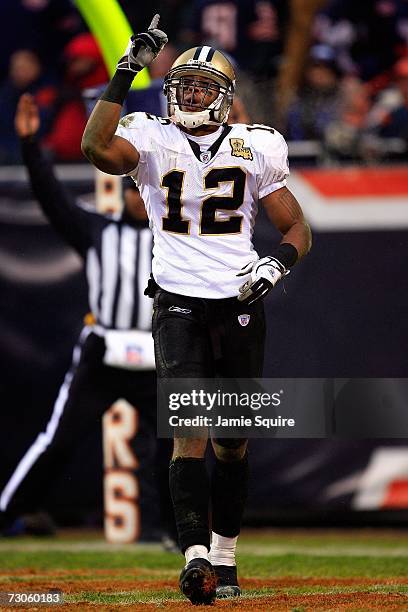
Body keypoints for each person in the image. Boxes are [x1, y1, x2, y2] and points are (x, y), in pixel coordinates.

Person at [81, 15, 312, 605]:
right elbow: (96, 146)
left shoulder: (256, 144)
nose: (192, 94)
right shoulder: (151, 137)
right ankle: (196, 560)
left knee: (233, 442)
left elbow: (296, 227)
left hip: (237, 299)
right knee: (189, 431)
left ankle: (227, 558)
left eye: (205, 86)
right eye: (184, 84)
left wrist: (274, 265)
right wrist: (126, 69)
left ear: (226, 96)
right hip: (178, 302)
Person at [0, 93, 175, 546]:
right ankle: (8, 514)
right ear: (122, 191)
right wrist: (30, 145)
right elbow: (52, 199)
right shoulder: (98, 231)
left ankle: (180, 533)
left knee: (174, 446)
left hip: (157, 354)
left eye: (145, 190)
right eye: (132, 189)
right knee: (57, 441)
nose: (139, 198)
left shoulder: (177, 238)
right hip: (104, 350)